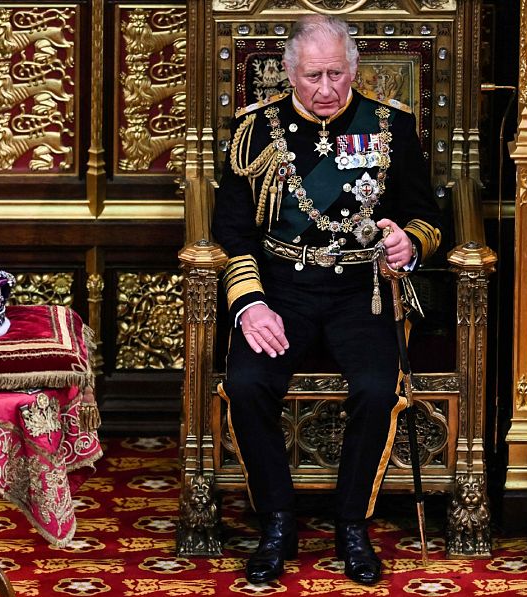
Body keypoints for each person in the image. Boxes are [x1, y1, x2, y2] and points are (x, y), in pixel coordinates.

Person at [212, 14, 441, 586]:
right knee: (246, 383)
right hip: (281, 288)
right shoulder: (254, 131)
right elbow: (233, 231)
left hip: (360, 290)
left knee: (373, 387)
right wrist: (250, 304)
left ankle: (351, 525)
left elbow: (428, 218)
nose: (325, 89)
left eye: (336, 74)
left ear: (354, 69)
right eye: (312, 75)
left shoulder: (391, 126)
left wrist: (407, 242)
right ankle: (278, 523)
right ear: (289, 73)